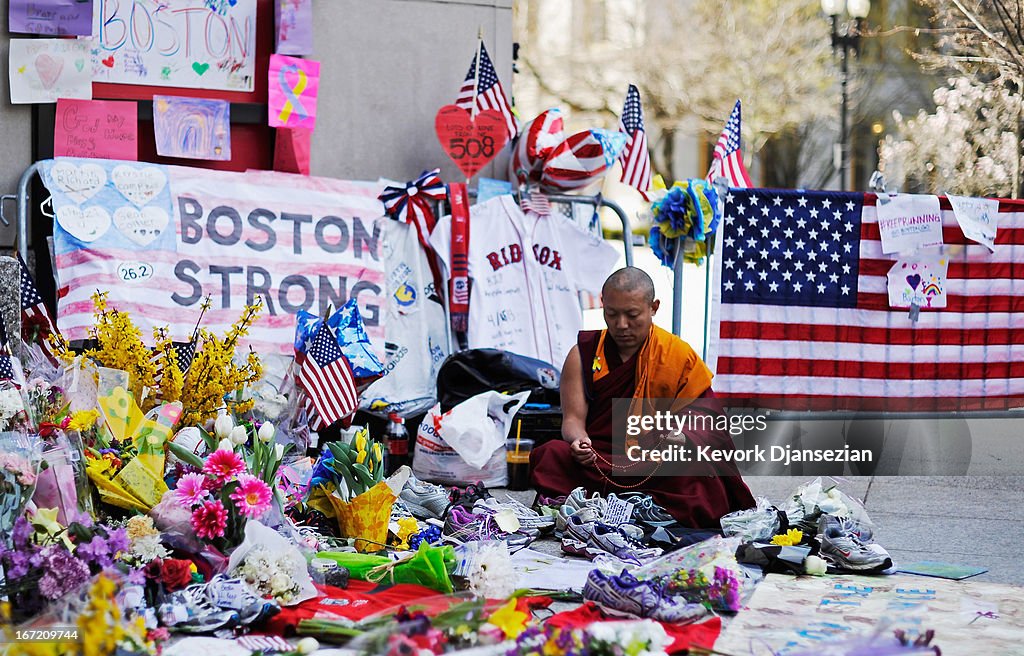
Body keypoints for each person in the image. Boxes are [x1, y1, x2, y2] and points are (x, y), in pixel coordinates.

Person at [529, 267, 755, 528]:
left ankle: (610, 506)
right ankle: (639, 509)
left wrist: (681, 437)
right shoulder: (584, 354)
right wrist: (580, 442)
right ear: (602, 306)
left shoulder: (676, 355)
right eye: (611, 314)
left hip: (655, 461)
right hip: (599, 460)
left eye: (632, 315)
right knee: (549, 454)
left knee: (702, 477)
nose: (621, 325)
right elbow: (572, 420)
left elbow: (708, 423)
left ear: (654, 307)